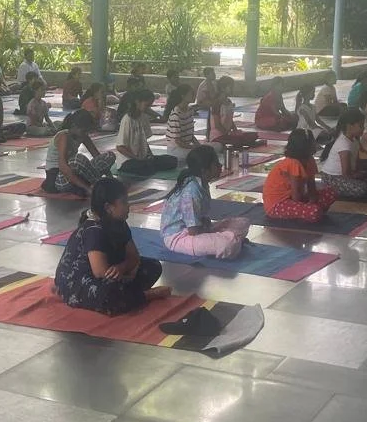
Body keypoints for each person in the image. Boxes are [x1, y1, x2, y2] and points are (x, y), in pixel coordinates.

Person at [52, 177, 169, 315]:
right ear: (108, 208)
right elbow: (101, 272)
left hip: (112, 275)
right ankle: (146, 295)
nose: (128, 206)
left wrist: (122, 267)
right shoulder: (94, 230)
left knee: (153, 267)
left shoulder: (120, 223)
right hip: (79, 280)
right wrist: (124, 273)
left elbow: (134, 257)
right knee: (108, 295)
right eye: (124, 202)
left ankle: (128, 295)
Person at [160, 145, 250, 259]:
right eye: (216, 164)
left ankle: (229, 238)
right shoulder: (191, 191)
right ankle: (230, 240)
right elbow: (193, 231)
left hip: (198, 229)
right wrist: (212, 234)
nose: (220, 166)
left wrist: (210, 230)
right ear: (205, 171)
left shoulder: (201, 183)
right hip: (179, 237)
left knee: (242, 222)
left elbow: (201, 220)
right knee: (228, 245)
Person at [262, 129, 335, 222]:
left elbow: (311, 186)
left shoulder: (310, 160)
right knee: (314, 211)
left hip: (295, 199)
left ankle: (307, 212)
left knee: (330, 192)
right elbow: (296, 195)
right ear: (304, 146)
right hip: (277, 204)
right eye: (313, 142)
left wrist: (312, 201)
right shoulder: (293, 163)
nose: (315, 144)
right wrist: (306, 206)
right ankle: (307, 212)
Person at [45, 110, 115, 196]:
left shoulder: (83, 136)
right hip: (57, 177)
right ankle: (97, 183)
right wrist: (87, 188)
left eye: (87, 131)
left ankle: (97, 183)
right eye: (83, 131)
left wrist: (110, 177)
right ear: (74, 126)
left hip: (74, 173)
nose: (85, 133)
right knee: (78, 160)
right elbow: (63, 167)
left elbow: (97, 156)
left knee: (109, 155)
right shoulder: (63, 136)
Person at [319, 107, 367, 200]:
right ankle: (332, 190)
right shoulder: (344, 145)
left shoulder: (355, 140)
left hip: (347, 174)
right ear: (350, 126)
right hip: (333, 178)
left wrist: (360, 173)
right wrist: (358, 175)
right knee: (362, 189)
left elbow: (356, 162)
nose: (363, 128)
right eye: (361, 126)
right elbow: (346, 174)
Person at [114, 88, 177, 177]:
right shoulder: (127, 119)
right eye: (146, 105)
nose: (148, 108)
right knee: (145, 167)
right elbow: (120, 147)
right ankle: (148, 165)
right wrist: (137, 159)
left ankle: (149, 165)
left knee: (172, 160)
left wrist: (149, 156)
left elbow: (144, 141)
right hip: (128, 160)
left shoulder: (143, 117)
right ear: (137, 102)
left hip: (143, 158)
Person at [208, 77, 259, 148]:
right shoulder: (217, 103)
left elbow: (230, 119)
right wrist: (228, 133)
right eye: (230, 87)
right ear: (223, 88)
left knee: (254, 135)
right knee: (240, 140)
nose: (233, 89)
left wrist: (235, 130)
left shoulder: (229, 102)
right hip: (218, 136)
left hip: (227, 134)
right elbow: (217, 125)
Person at [163, 84, 199, 161]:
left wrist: (199, 146)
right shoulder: (176, 114)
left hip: (185, 147)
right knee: (198, 155)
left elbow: (190, 134)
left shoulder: (190, 110)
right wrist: (193, 147)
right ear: (183, 96)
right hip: (175, 149)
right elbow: (177, 141)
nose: (194, 96)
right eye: (191, 94)